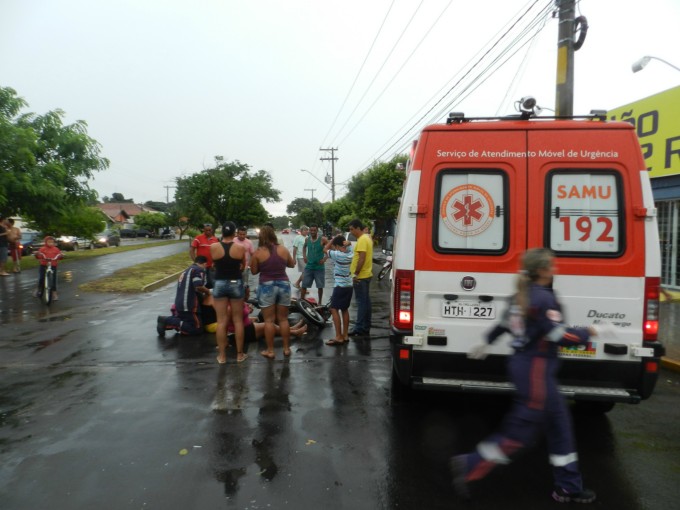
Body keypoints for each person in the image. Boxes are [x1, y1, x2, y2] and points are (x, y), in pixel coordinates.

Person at [450, 248, 601, 504]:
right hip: (536, 372)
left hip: (527, 367)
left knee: (560, 426)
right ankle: (470, 464)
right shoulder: (543, 298)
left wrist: (486, 341)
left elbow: (503, 325)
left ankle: (568, 486)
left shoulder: (520, 295)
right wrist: (590, 332)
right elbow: (560, 336)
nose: (555, 269)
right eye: (552, 265)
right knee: (520, 433)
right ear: (541, 270)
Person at [250, 225, 296, 359]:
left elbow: (254, 271)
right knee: (283, 319)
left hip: (266, 286)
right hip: (283, 284)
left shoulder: (258, 252)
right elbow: (291, 264)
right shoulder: (283, 249)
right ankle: (286, 349)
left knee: (269, 321)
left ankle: (270, 351)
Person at [210, 221, 248, 364]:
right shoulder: (240, 248)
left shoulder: (214, 247)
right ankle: (239, 355)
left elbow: (213, 264)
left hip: (219, 283)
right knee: (238, 320)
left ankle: (222, 356)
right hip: (235, 282)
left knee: (221, 321)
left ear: (222, 232)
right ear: (234, 233)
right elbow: (243, 266)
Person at [156, 256, 210, 337]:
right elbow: (198, 286)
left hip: (181, 302)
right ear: (205, 264)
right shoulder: (198, 270)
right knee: (196, 329)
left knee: (188, 323)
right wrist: (208, 292)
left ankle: (168, 323)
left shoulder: (187, 270)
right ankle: (167, 320)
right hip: (188, 303)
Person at [323, 235, 354, 345]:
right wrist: (348, 243)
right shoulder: (350, 253)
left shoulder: (337, 255)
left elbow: (325, 249)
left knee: (333, 309)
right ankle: (345, 335)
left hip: (340, 286)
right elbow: (349, 247)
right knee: (345, 309)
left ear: (336, 246)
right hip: (349, 285)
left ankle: (338, 336)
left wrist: (331, 240)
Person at [348, 219, 373, 336]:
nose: (351, 232)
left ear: (358, 228)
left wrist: (356, 274)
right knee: (366, 302)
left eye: (352, 229)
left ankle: (359, 328)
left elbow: (362, 258)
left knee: (361, 303)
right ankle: (365, 326)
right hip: (366, 274)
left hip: (361, 276)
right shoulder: (366, 238)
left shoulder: (362, 239)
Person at [300, 224, 327, 303]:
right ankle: (301, 302)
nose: (312, 232)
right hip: (309, 267)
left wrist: (325, 259)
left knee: (320, 286)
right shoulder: (307, 239)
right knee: (304, 285)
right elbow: (304, 247)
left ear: (317, 231)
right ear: (309, 231)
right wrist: (304, 256)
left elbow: (330, 248)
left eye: (314, 230)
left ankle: (319, 302)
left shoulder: (322, 239)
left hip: (319, 268)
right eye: (311, 230)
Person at [190, 223, 219, 288]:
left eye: (209, 230)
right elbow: (192, 250)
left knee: (212, 283)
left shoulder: (215, 239)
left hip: (211, 266)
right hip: (201, 266)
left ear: (212, 230)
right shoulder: (198, 238)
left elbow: (217, 252)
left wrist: (215, 263)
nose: (208, 231)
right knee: (200, 283)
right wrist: (195, 262)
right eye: (206, 230)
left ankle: (210, 293)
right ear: (204, 230)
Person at [233, 226, 255, 299]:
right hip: (234, 267)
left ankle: (243, 300)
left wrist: (249, 265)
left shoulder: (249, 242)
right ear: (237, 234)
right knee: (234, 283)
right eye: (240, 234)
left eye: (244, 234)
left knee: (244, 284)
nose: (242, 236)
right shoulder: (233, 241)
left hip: (245, 268)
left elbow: (253, 255)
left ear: (246, 234)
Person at [291, 225, 309, 289]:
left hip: (307, 258)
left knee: (306, 272)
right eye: (304, 230)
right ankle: (303, 288)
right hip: (300, 257)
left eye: (307, 230)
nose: (306, 231)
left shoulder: (308, 237)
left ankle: (297, 284)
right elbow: (295, 248)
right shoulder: (298, 237)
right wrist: (294, 258)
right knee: (306, 272)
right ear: (301, 231)